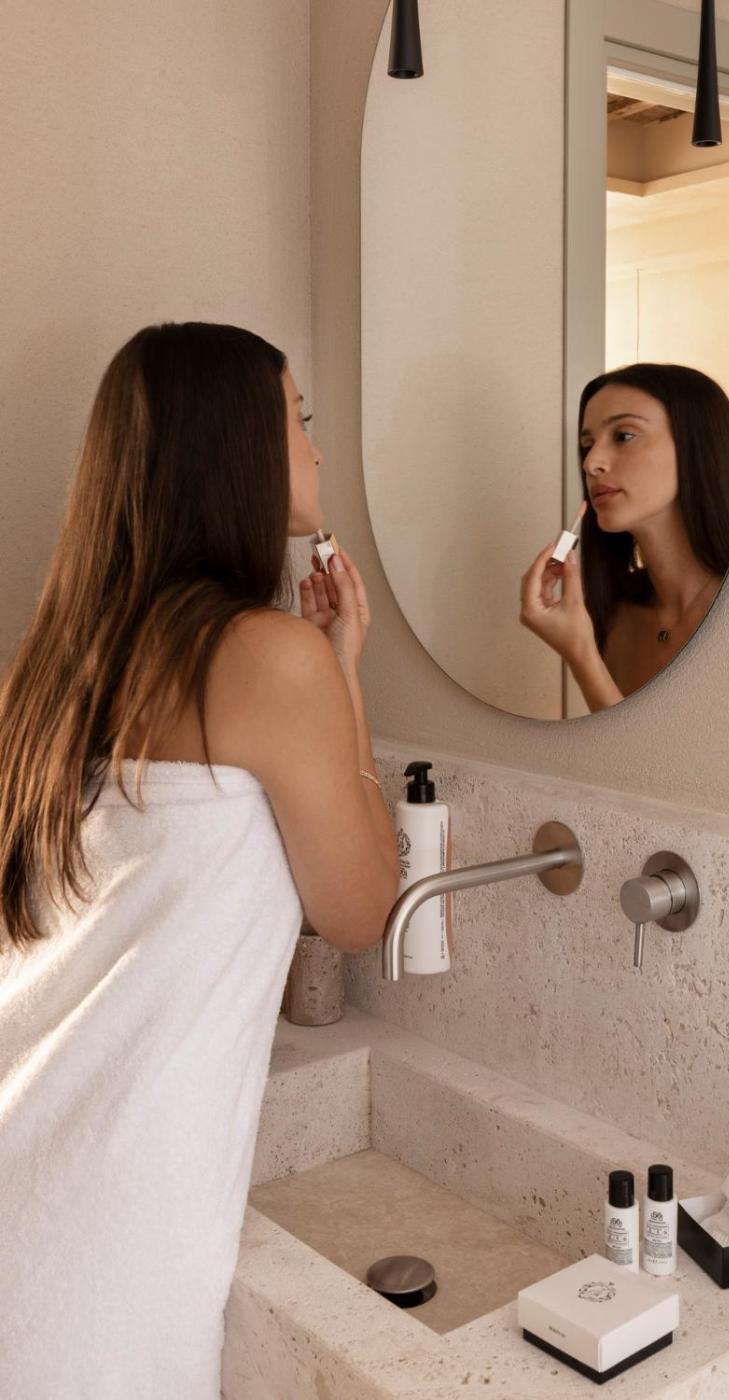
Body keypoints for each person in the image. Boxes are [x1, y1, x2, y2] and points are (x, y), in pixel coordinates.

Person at [0, 321, 399, 1397]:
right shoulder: (268, 657)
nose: (315, 447)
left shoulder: (57, 664)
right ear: (239, 452)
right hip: (104, 1224)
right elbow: (361, 908)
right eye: (299, 420)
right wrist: (340, 674)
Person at [520, 364, 729, 712]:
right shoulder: (616, 615)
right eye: (587, 445)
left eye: (624, 436)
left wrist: (581, 654)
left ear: (696, 445)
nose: (591, 463)